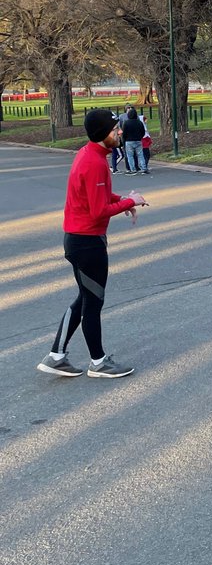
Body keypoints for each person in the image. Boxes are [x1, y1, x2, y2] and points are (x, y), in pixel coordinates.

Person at [37, 108, 149, 379]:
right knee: (93, 302)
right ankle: (98, 362)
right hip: (87, 244)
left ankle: (56, 356)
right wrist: (130, 202)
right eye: (115, 130)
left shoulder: (90, 154)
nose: (120, 132)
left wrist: (122, 198)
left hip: (79, 240)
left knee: (85, 298)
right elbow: (98, 211)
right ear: (102, 135)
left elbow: (96, 195)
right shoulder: (95, 162)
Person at [121, 107, 148, 174]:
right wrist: (140, 137)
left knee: (130, 156)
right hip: (138, 140)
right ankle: (143, 168)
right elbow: (143, 132)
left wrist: (124, 139)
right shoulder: (139, 123)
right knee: (140, 155)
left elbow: (124, 133)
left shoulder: (126, 123)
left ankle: (133, 169)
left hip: (129, 141)